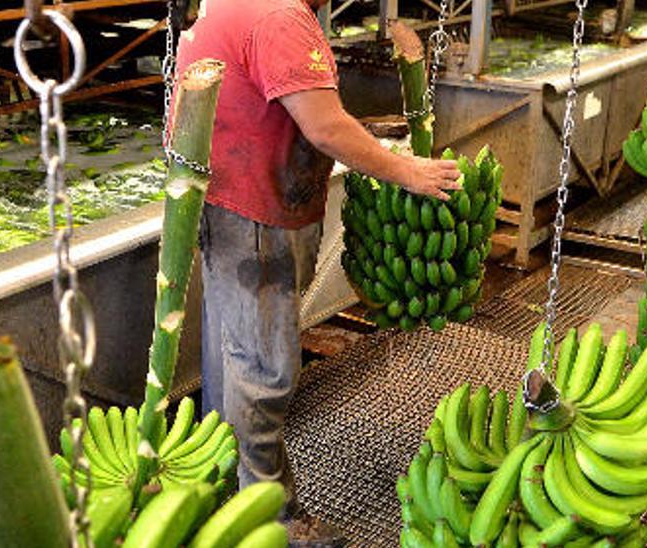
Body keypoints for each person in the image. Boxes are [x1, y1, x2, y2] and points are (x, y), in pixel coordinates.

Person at [174, 0, 463, 543]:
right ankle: (268, 523)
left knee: (232, 360)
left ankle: (226, 501)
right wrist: (407, 171)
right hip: (255, 215)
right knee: (261, 373)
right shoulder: (280, 18)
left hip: (228, 199)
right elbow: (326, 128)